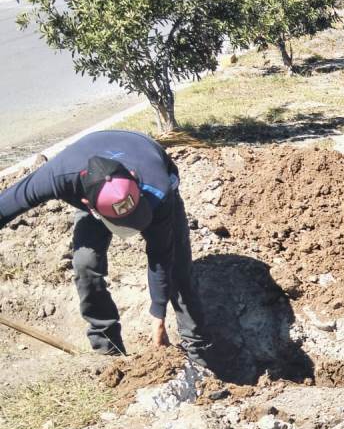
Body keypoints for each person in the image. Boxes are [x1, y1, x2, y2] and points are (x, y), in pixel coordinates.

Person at [0, 130, 210, 366]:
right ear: (88, 206)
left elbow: (160, 256)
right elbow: (9, 202)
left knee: (177, 271)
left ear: (132, 177)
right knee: (85, 265)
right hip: (95, 190)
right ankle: (109, 353)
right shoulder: (58, 175)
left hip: (149, 192)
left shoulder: (158, 188)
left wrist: (157, 316)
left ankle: (198, 353)